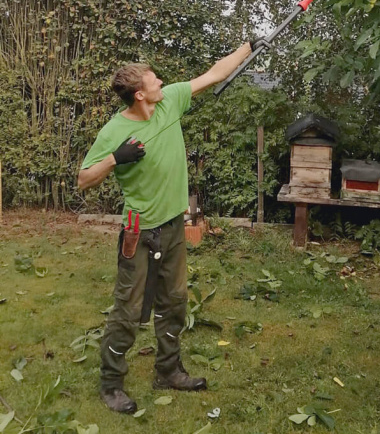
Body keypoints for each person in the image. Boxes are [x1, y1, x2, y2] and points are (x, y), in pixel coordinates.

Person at [78, 40, 262, 414]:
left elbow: (214, 74)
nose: (162, 81)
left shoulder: (171, 101)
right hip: (139, 231)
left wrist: (246, 48)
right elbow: (83, 179)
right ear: (140, 94)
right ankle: (111, 383)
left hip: (174, 225)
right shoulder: (114, 131)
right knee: (128, 312)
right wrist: (116, 158)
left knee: (175, 300)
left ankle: (168, 370)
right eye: (154, 80)